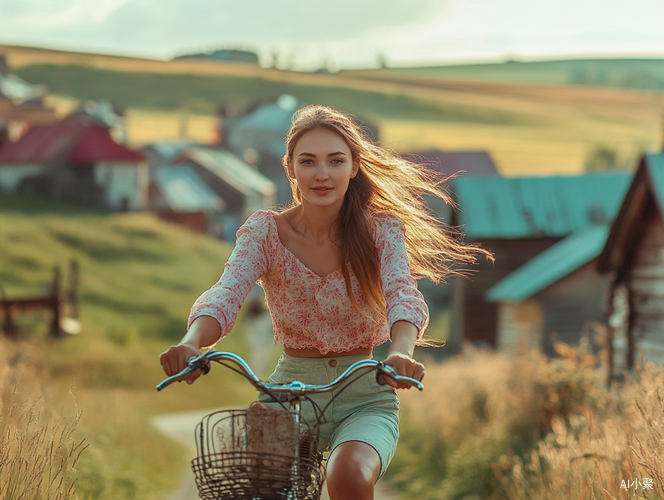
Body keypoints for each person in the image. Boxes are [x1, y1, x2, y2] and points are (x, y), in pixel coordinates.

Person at [160, 104, 490, 500]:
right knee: (264, 487)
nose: (321, 174)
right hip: (287, 391)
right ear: (290, 168)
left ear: (353, 167)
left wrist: (401, 352)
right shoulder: (265, 232)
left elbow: (403, 293)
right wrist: (192, 343)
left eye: (335, 161)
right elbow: (227, 292)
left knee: (348, 476)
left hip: (364, 395)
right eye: (308, 161)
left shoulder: (381, 230)